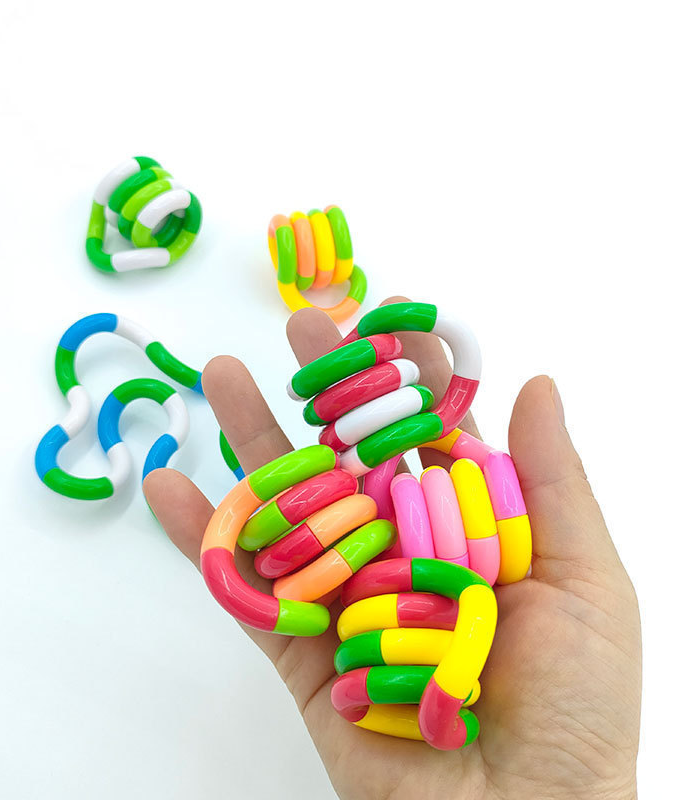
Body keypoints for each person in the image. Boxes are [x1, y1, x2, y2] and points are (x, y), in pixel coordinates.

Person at [144, 299, 642, 800]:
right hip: (416, 600)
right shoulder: (372, 508)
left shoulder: (413, 516)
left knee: (392, 505)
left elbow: (459, 582)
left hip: (424, 613)